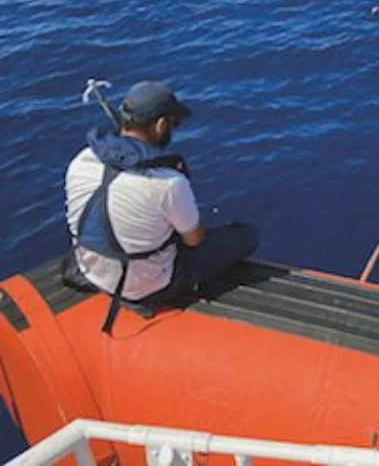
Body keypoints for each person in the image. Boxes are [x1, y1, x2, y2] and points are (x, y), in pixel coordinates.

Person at [64, 81, 260, 333]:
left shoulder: (80, 161)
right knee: (245, 236)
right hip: (147, 286)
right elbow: (194, 240)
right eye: (173, 124)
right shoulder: (168, 183)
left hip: (91, 271)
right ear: (160, 125)